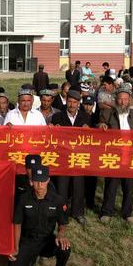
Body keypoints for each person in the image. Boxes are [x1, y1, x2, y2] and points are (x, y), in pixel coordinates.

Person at [7, 165, 71, 266]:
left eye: (43, 181)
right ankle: (30, 265)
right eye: (36, 181)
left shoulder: (57, 200)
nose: (40, 185)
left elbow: (62, 222)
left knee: (65, 248)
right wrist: (15, 247)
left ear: (48, 180)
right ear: (31, 182)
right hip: (27, 241)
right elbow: (17, 224)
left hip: (46, 240)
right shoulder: (23, 199)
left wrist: (61, 234)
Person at [98, 84, 133, 224]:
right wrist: (101, 126)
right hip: (114, 155)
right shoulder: (108, 113)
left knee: (128, 187)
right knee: (111, 185)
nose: (123, 102)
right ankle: (107, 212)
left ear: (129, 100)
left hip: (130, 154)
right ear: (115, 100)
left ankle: (127, 213)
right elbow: (98, 126)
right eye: (120, 99)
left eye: (125, 99)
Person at [50, 90, 91, 226]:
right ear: (66, 101)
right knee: (62, 186)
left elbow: (93, 138)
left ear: (79, 103)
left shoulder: (85, 117)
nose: (72, 105)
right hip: (63, 157)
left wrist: (89, 129)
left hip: (79, 156)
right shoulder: (57, 117)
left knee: (79, 185)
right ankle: (61, 212)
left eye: (75, 102)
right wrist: (53, 129)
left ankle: (78, 212)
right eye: (70, 101)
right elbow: (52, 137)